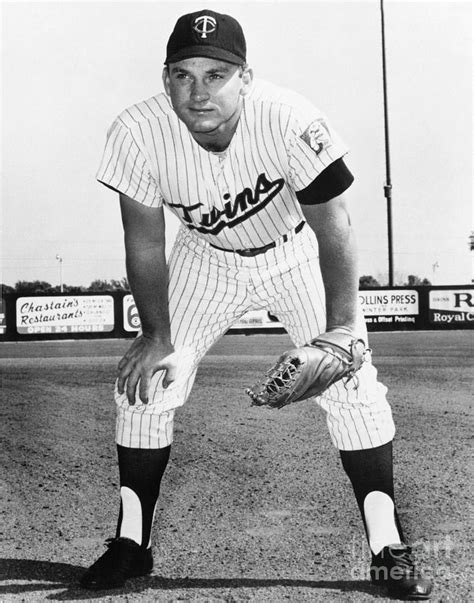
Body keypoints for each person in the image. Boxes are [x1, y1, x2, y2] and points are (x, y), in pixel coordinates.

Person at [81, 9, 432, 600]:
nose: (199, 90)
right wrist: (157, 334)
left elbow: (335, 226)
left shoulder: (287, 117)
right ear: (165, 79)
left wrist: (343, 329)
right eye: (183, 74)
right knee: (147, 382)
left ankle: (387, 548)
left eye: (216, 74)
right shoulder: (137, 132)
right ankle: (130, 545)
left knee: (353, 387)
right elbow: (143, 242)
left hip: (294, 254)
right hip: (205, 258)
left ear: (245, 77)